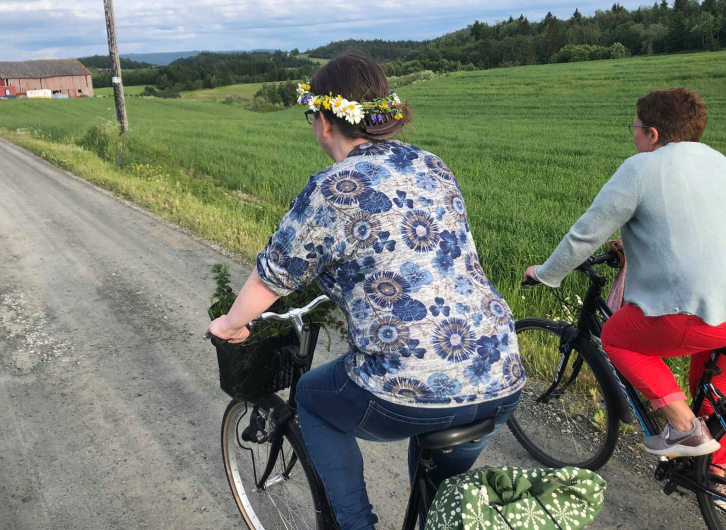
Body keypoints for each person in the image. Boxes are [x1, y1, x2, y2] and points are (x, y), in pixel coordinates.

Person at [206, 54, 524, 530]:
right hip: (499, 369)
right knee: (438, 508)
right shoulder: (430, 163)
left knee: (312, 399)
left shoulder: (335, 187)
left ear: (325, 121)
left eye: (311, 115)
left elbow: (271, 278)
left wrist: (230, 324)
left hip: (411, 384)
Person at [524, 88, 726, 473]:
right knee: (715, 394)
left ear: (652, 134)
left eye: (634, 127)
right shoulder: (716, 160)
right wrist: (632, 247)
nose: (632, 135)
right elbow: (694, 230)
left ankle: (685, 430)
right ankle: (717, 480)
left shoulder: (640, 168)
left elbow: (585, 236)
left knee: (617, 336)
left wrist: (546, 273)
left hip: (706, 308)